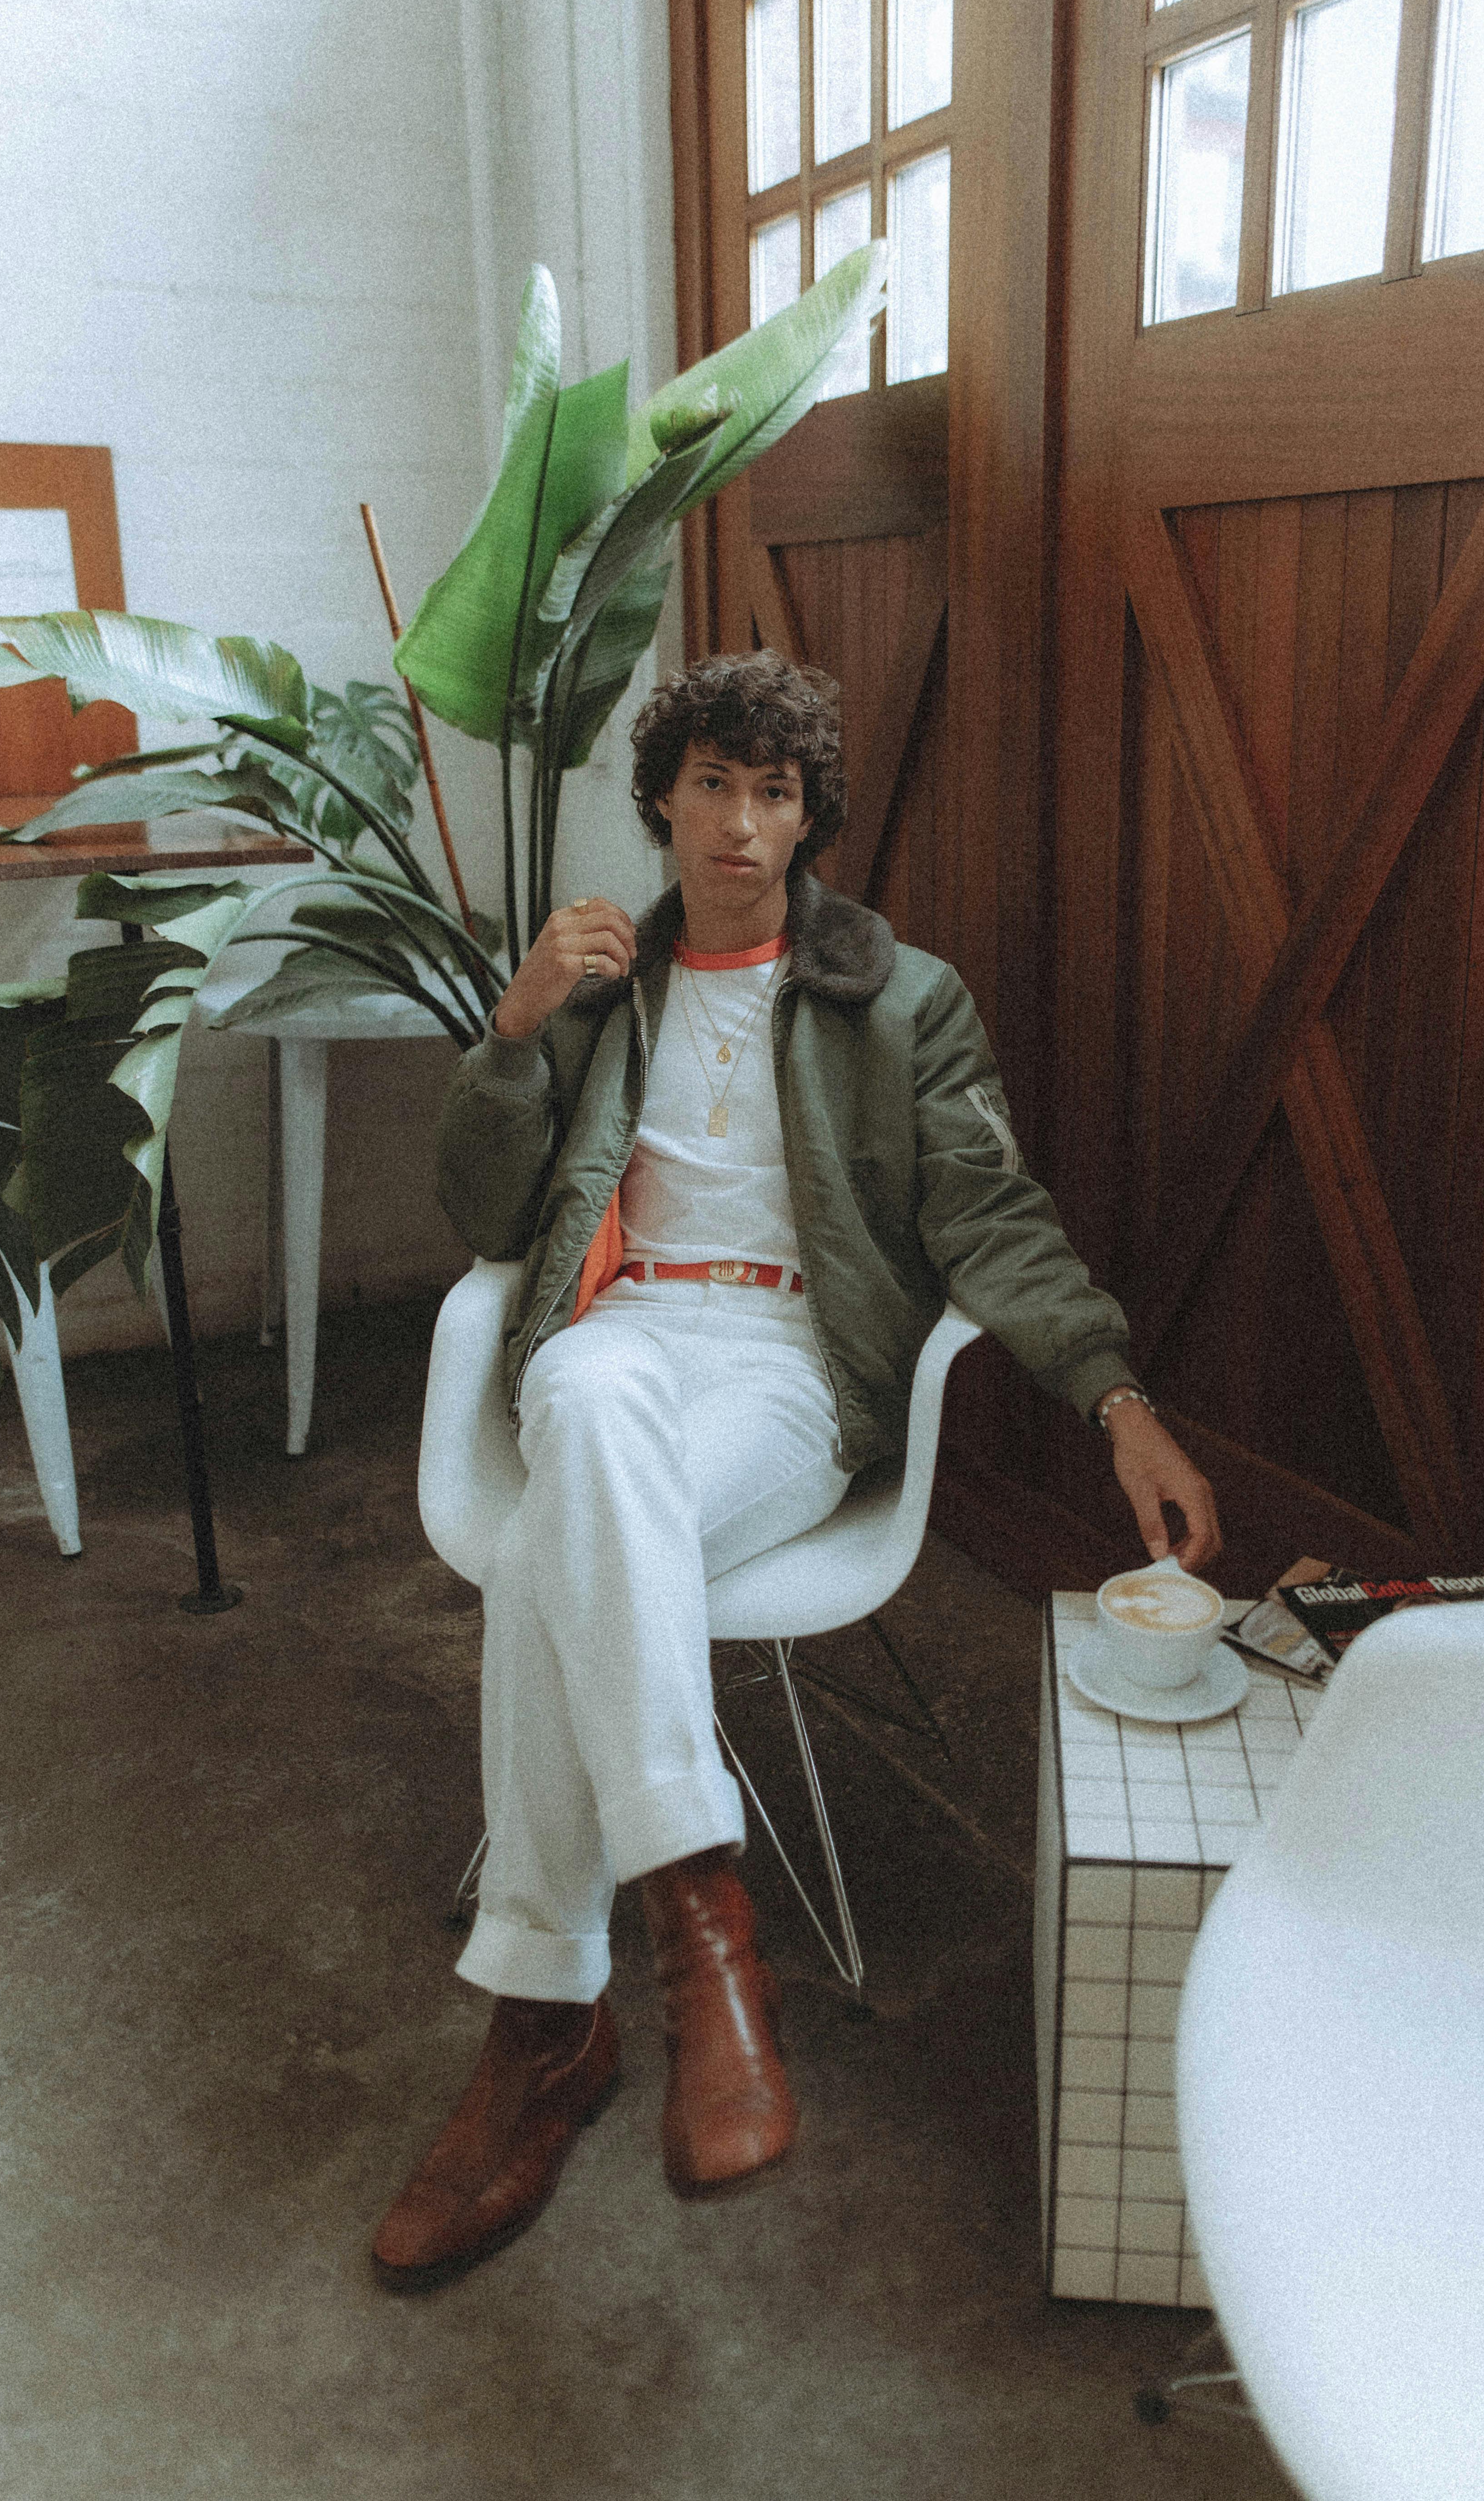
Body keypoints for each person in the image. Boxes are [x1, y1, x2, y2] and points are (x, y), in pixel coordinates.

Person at [371, 648, 1219, 2290]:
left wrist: (1118, 1401)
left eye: (774, 793)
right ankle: (702, 1924)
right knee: (595, 1410)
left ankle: (545, 2034)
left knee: (564, 1537)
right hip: (617, 1332)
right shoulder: (603, 983)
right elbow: (485, 1219)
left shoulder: (900, 999)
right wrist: (515, 1024)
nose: (740, 825)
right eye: (711, 785)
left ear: (811, 817)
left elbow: (991, 1217)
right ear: (666, 800)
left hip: (785, 1371)